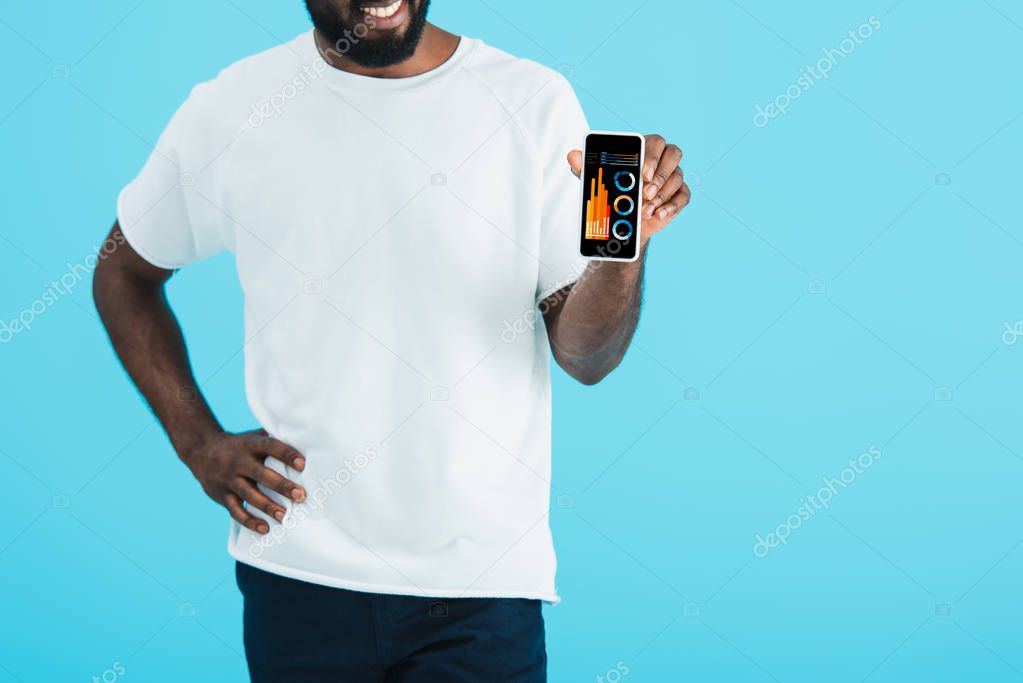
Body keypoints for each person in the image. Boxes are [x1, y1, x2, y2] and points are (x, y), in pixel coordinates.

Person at [93, 1, 690, 680]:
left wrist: (622, 254)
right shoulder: (235, 107)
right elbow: (123, 270)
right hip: (298, 578)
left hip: (479, 589)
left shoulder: (531, 101)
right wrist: (197, 442)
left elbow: (586, 356)